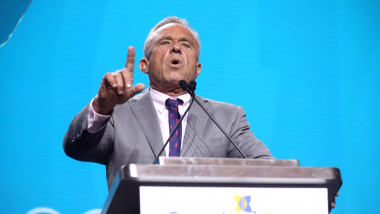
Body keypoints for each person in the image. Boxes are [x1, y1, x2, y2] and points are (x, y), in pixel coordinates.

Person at [63, 16, 273, 190]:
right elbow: (77, 149)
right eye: (165, 42)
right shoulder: (116, 113)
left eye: (185, 44)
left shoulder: (227, 118)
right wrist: (101, 108)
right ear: (144, 65)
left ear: (197, 69)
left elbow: (268, 169)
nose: (176, 49)